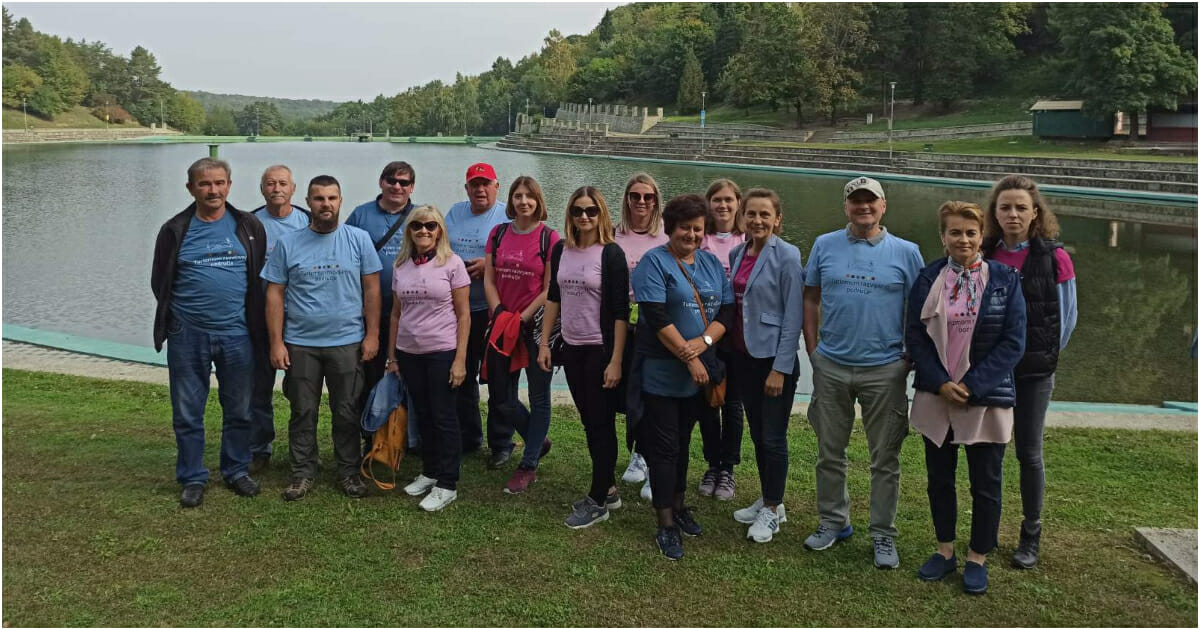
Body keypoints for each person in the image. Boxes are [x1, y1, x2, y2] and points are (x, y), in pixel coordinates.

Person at [801, 176, 924, 569]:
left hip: (884, 370)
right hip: (832, 365)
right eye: (856, 201)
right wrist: (813, 349)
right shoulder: (824, 245)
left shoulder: (907, 252)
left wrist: (907, 357)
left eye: (871, 201)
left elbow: (919, 309)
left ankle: (883, 535)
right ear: (846, 206)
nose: (863, 207)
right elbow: (811, 296)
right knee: (828, 452)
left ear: (883, 206)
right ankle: (833, 521)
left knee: (884, 458)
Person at [907, 201, 1026, 594]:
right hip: (937, 394)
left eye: (971, 233)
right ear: (943, 237)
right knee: (939, 479)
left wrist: (973, 385)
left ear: (981, 237)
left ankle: (977, 557)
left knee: (986, 482)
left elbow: (1013, 343)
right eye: (955, 232)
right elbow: (915, 337)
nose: (963, 239)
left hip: (984, 398)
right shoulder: (927, 279)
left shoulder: (1005, 280)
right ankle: (944, 551)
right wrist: (940, 381)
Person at [151, 157, 267, 508]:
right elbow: (161, 282)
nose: (212, 190)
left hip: (237, 333)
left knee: (240, 408)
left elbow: (259, 276)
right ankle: (192, 476)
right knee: (187, 412)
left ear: (229, 185)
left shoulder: (248, 226)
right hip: (188, 334)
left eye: (219, 183)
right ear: (191, 188)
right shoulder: (175, 229)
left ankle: (235, 469)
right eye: (204, 184)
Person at [263, 175, 382, 500]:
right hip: (301, 344)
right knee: (303, 410)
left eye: (332, 198)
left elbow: (372, 290)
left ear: (340, 201)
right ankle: (302, 472)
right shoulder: (289, 243)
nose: (325, 204)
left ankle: (349, 471)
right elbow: (275, 293)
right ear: (309, 201)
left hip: (347, 342)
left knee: (346, 411)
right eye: (319, 199)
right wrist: (276, 341)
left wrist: (372, 335)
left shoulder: (358, 239)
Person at [631, 193, 734, 560]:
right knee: (664, 449)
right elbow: (656, 317)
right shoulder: (653, 262)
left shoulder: (709, 263)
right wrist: (689, 356)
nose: (691, 235)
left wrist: (703, 342)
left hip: (699, 377)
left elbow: (726, 312)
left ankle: (678, 505)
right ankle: (665, 523)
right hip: (663, 375)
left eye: (697, 229)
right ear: (670, 228)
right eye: (684, 228)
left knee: (684, 446)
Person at [982, 175, 1077, 570]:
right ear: (995, 213)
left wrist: (1042, 356)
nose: (1013, 214)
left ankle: (1030, 533)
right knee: (990, 451)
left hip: (1034, 372)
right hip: (992, 371)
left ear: (1035, 212)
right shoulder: (983, 253)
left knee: (1029, 452)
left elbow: (1067, 318)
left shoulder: (1054, 257)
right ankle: (986, 531)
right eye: (1005, 207)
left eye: (1021, 207)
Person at [538, 186, 630, 529]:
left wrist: (616, 360)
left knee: (601, 423)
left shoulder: (611, 254)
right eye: (578, 210)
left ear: (601, 213)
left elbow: (621, 312)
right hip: (572, 348)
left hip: (600, 349)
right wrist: (544, 343)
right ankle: (607, 490)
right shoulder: (561, 250)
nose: (584, 217)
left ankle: (597, 500)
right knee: (590, 422)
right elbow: (553, 296)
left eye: (591, 211)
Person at [726, 189, 804, 543]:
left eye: (764, 215)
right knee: (758, 434)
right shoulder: (737, 251)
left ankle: (773, 509)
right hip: (745, 358)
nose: (757, 221)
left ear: (777, 219)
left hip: (773, 362)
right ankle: (768, 497)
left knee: (773, 437)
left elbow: (794, 316)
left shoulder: (787, 256)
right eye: (751, 214)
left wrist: (781, 367)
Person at [386, 205, 471, 512]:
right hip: (410, 353)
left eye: (430, 226)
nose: (423, 231)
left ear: (440, 231)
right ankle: (430, 470)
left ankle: (448, 483)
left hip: (442, 351)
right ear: (409, 231)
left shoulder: (452, 263)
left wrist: (460, 359)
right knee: (422, 415)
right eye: (417, 226)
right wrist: (391, 356)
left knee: (444, 416)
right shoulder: (402, 265)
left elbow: (464, 315)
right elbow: (396, 314)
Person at [483, 175, 560, 494]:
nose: (523, 201)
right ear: (510, 200)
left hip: (536, 326)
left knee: (540, 396)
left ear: (538, 201)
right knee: (502, 397)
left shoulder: (550, 238)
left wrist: (523, 317)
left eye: (529, 196)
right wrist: (500, 312)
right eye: (517, 195)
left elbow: (550, 288)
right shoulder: (498, 233)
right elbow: (489, 278)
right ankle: (535, 438)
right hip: (503, 324)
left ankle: (528, 464)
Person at [345, 161, 419, 451]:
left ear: (412, 186)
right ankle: (371, 436)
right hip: (370, 312)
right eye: (391, 180)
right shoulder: (361, 215)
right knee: (371, 374)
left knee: (411, 373)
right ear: (381, 182)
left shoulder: (421, 216)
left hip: (412, 313)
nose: (397, 186)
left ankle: (409, 437)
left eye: (404, 182)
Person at [444, 163, 509, 459]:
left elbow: (522, 255)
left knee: (498, 377)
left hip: (493, 309)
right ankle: (469, 436)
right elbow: (440, 248)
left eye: (486, 184)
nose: (480, 190)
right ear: (466, 188)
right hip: (458, 309)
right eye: (474, 184)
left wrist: (490, 263)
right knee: (462, 373)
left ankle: (501, 442)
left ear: (497, 186)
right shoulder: (456, 213)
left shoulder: (508, 214)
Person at [248, 164, 311, 474]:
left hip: (300, 320)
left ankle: (301, 451)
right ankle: (259, 447)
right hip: (260, 319)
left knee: (300, 388)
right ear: (262, 189)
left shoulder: (306, 221)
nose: (277, 188)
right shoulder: (247, 224)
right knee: (258, 387)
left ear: (293, 188)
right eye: (270, 183)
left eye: (282, 183)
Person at [613, 172, 668, 499]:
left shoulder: (664, 236)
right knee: (629, 395)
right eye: (635, 196)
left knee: (652, 395)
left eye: (648, 197)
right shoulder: (614, 235)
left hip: (655, 328)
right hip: (622, 326)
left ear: (656, 202)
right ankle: (636, 451)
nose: (642, 202)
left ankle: (651, 456)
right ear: (627, 200)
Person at [697, 178, 747, 501]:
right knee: (707, 401)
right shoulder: (700, 238)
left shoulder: (749, 238)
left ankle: (727, 468)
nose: (723, 205)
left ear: (738, 203)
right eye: (717, 200)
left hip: (739, 335)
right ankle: (711, 463)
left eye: (729, 199)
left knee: (732, 404)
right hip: (705, 332)